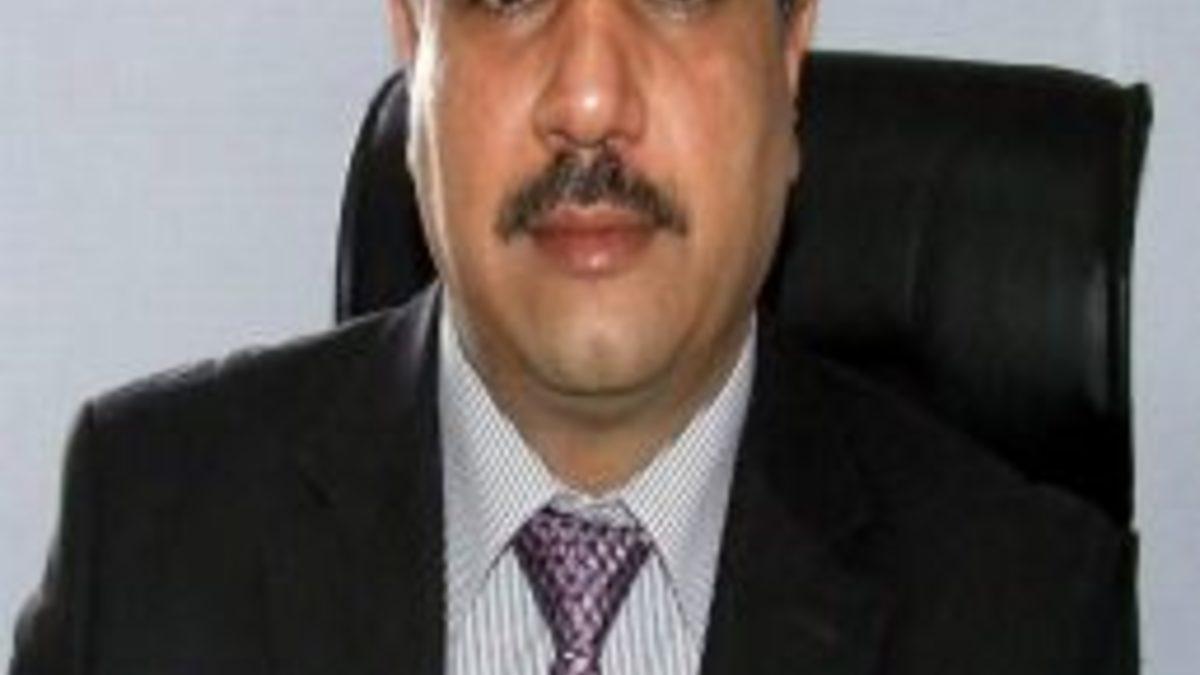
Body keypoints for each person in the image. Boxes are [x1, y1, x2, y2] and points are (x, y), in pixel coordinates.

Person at [11, 0, 1136, 673]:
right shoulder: (147, 534)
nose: (591, 99)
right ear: (415, 37)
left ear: (789, 48)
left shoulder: (1027, 615)